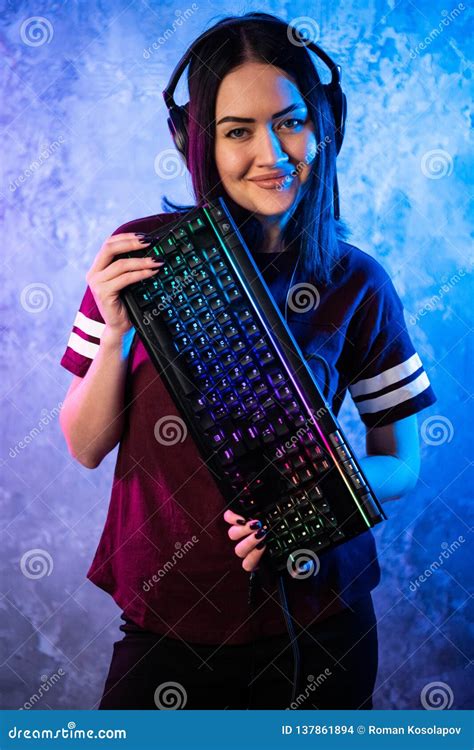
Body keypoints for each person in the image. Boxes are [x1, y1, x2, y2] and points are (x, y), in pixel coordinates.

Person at [59, 13, 437, 710]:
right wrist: (115, 335)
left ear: (325, 129)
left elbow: (403, 462)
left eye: (290, 122)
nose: (272, 152)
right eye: (237, 131)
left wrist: (304, 515)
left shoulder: (357, 281)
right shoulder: (137, 256)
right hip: (168, 618)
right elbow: (86, 446)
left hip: (322, 620)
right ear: (196, 142)